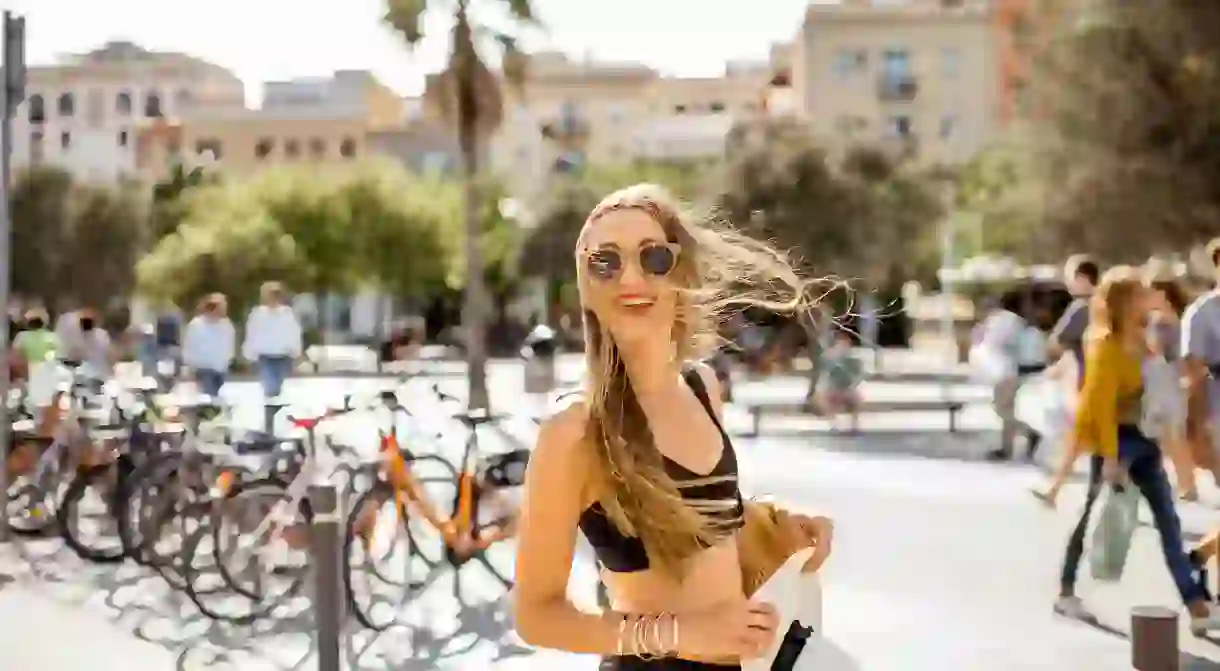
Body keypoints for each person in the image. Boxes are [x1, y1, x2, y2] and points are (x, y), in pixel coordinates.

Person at [511, 184, 832, 670]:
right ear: (588, 285)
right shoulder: (575, 430)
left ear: (680, 271)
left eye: (653, 257)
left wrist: (777, 524)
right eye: (606, 262)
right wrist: (679, 633)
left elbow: (702, 525)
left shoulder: (703, 387)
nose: (630, 278)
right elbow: (535, 615)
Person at [1054, 266, 1220, 632]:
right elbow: (1098, 405)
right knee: (1090, 516)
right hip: (1119, 441)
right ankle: (1066, 591)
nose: (1149, 296)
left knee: (1168, 522)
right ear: (1126, 302)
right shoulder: (1105, 345)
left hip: (1145, 440)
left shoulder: (1144, 340)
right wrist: (1111, 458)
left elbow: (1154, 392)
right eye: (1141, 292)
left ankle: (1196, 606)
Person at [1032, 255, 1101, 504]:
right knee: (1086, 440)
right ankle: (1056, 489)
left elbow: (1056, 343)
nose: (1069, 283)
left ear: (1083, 278)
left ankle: (1056, 489)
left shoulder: (1081, 309)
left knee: (1083, 439)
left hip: (1087, 385)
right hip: (1105, 382)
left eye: (1071, 277)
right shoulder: (1107, 304)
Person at [1145, 267, 1194, 500]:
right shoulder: (1173, 318)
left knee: (1172, 436)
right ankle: (1184, 483)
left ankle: (1186, 484)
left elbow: (1157, 351)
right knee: (1169, 436)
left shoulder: (1163, 320)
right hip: (1165, 380)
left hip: (1167, 380)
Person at [243, 283, 302, 417]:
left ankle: (274, 414)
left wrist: (296, 351)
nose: (273, 298)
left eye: (276, 295)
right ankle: (269, 413)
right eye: (270, 295)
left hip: (283, 355)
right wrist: (249, 353)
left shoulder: (287, 313)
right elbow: (252, 333)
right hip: (265, 355)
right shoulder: (258, 313)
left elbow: (294, 333)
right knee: (270, 385)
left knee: (278, 388)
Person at [183, 293, 235, 398]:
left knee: (214, 395)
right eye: (221, 308)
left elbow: (229, 343)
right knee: (208, 395)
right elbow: (189, 344)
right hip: (203, 367)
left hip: (220, 367)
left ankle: (207, 413)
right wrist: (189, 364)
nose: (224, 311)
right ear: (212, 308)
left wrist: (228, 359)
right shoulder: (197, 325)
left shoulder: (226, 325)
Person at [814, 330, 863, 433]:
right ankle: (833, 425)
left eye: (844, 344)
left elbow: (858, 377)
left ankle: (854, 425)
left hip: (847, 389)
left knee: (855, 397)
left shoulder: (853, 359)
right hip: (832, 389)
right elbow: (824, 376)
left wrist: (850, 388)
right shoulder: (827, 358)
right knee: (823, 395)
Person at [10, 307, 58, 382]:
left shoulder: (21, 336)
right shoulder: (51, 336)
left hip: (26, 372)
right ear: (43, 323)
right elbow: (55, 355)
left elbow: (15, 355)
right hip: (46, 372)